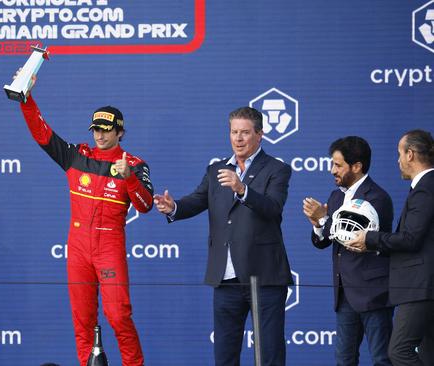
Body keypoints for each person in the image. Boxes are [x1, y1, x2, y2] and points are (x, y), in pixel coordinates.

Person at [17, 74, 153, 366]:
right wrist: (25, 99)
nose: (100, 136)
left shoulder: (135, 165)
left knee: (118, 317)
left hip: (109, 248)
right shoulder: (76, 156)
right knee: (82, 321)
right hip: (77, 249)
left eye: (106, 130)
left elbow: (146, 206)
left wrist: (128, 178)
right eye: (96, 130)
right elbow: (42, 134)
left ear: (120, 132)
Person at [153, 106, 292, 366]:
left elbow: (273, 209)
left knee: (269, 354)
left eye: (245, 133)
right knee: (225, 355)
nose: (238, 139)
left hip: (263, 277)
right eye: (234, 132)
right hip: (225, 278)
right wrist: (173, 207)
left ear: (260, 135)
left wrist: (242, 189)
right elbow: (197, 200)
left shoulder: (277, 169)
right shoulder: (216, 169)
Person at [303, 136, 393, 366]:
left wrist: (324, 219)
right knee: (344, 360)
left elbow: (355, 239)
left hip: (373, 293)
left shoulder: (377, 198)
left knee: (382, 358)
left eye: (338, 165)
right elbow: (323, 242)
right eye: (332, 164)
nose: (332, 170)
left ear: (357, 166)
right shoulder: (335, 197)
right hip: (344, 294)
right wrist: (318, 224)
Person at [347, 129, 434, 366]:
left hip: (419, 287)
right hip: (422, 287)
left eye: (399, 154)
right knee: (427, 355)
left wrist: (370, 239)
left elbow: (411, 238)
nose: (397, 161)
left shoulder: (426, 186)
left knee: (399, 351)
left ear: (410, 154)